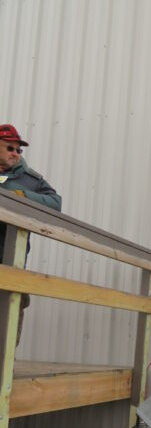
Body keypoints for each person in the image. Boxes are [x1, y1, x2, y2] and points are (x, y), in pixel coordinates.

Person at [0, 123, 62, 344]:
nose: (16, 154)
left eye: (19, 150)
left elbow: (56, 204)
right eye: (10, 148)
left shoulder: (30, 180)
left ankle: (5, 373)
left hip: (10, 265)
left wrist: (21, 196)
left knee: (7, 329)